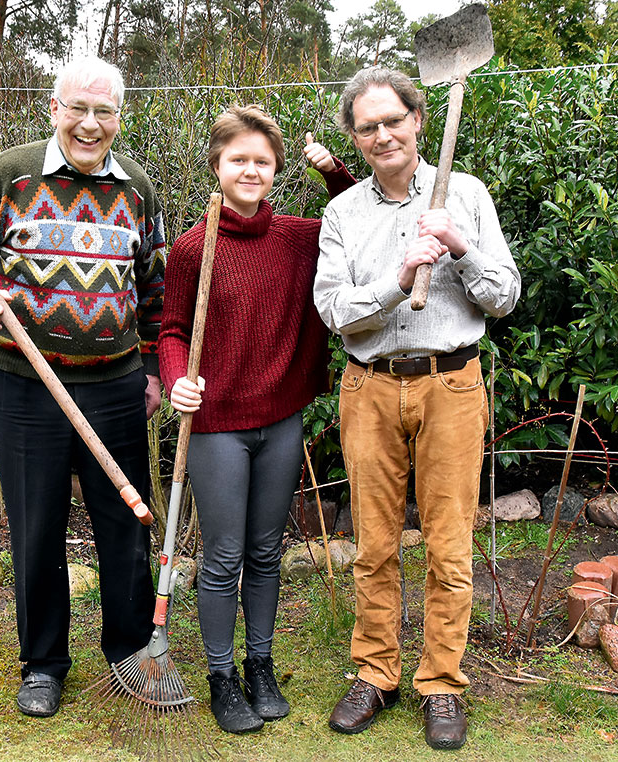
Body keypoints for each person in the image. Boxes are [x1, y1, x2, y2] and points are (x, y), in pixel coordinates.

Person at [0, 56, 165, 718]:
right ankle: (43, 665)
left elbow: (151, 286)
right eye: (78, 108)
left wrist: (151, 369)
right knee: (36, 527)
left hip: (115, 386)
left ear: (120, 117)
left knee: (124, 524)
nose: (91, 124)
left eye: (105, 111)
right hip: (26, 386)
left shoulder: (137, 188)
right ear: (53, 108)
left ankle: (128, 658)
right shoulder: (9, 173)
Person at [314, 67, 520, 750]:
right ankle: (376, 674)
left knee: (449, 548)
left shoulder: (465, 193)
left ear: (418, 120)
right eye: (367, 126)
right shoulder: (343, 214)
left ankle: (441, 684)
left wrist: (459, 245)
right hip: (369, 387)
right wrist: (401, 280)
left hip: (452, 385)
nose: (381, 135)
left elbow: (506, 295)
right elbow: (336, 312)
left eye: (392, 120)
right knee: (373, 546)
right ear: (355, 136)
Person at [158, 105, 354, 734]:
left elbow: (362, 217)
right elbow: (171, 330)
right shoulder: (194, 248)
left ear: (275, 170)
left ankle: (259, 665)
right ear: (216, 166)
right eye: (237, 159)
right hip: (216, 421)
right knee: (224, 555)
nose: (250, 170)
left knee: (267, 551)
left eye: (261, 161)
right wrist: (175, 380)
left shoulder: (301, 237)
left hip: (281, 417)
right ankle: (221, 675)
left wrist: (332, 170)